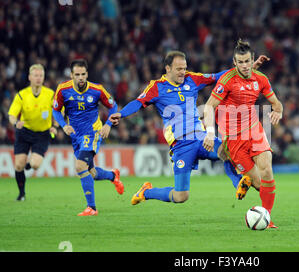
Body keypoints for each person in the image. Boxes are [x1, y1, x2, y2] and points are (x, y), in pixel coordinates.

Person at [108, 50, 268, 205]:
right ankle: (146, 192)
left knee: (227, 151)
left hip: (200, 137)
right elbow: (138, 102)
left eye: (184, 68)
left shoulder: (192, 79)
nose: (183, 72)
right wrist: (121, 114)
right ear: (168, 68)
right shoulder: (157, 87)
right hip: (181, 145)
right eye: (179, 69)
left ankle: (239, 183)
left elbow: (219, 77)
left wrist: (248, 68)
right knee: (180, 196)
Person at [202, 39, 283, 229]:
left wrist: (278, 111)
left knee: (267, 170)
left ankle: (266, 218)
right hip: (233, 140)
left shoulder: (261, 79)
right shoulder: (227, 81)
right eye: (241, 62)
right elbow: (208, 106)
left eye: (248, 61)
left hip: (254, 130)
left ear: (252, 59)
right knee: (259, 183)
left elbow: (276, 103)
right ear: (234, 63)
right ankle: (246, 181)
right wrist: (210, 132)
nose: (245, 66)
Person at [52, 59, 124, 216]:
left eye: (83, 74)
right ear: (71, 75)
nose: (80, 78)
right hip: (75, 136)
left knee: (79, 167)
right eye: (77, 74)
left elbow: (113, 106)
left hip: (92, 133)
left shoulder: (97, 90)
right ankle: (113, 176)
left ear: (87, 74)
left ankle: (92, 208)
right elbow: (56, 110)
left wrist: (108, 125)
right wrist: (64, 125)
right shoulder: (63, 89)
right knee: (92, 173)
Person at [8, 64, 58, 201]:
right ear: (30, 77)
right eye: (35, 75)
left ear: (43, 78)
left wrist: (55, 126)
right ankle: (21, 194)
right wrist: (15, 123)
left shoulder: (50, 94)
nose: (38, 78)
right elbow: (12, 114)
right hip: (24, 132)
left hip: (42, 134)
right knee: (18, 165)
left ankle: (29, 164)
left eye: (40, 75)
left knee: (35, 165)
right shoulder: (22, 95)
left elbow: (59, 112)